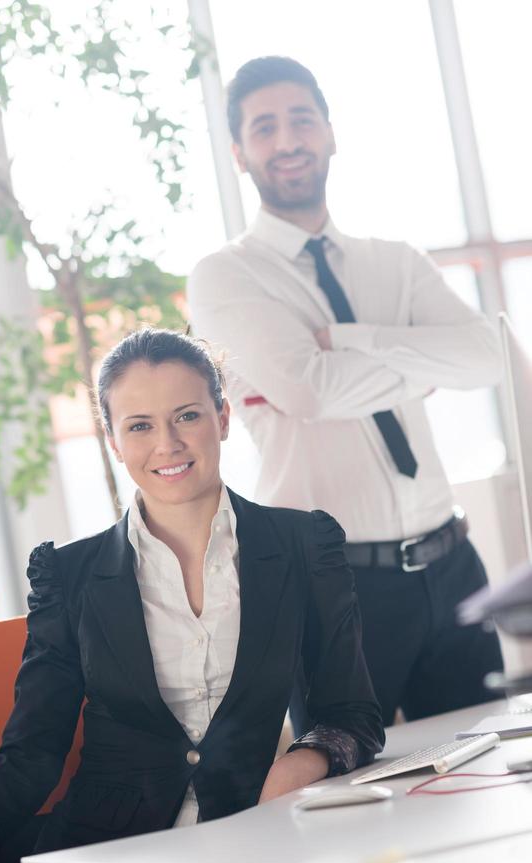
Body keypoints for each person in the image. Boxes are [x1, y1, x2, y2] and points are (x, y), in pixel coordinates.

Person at [0, 328, 384, 863]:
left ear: (223, 417)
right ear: (113, 440)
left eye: (188, 416)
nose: (167, 444)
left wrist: (300, 764)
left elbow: (352, 711)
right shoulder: (72, 575)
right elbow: (29, 757)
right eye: (140, 425)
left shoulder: (302, 545)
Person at [188, 55, 504, 730]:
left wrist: (354, 340)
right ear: (240, 154)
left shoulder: (396, 261)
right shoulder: (225, 277)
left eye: (302, 120)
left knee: (493, 777)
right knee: (346, 790)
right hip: (333, 585)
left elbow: (487, 356)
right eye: (265, 128)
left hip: (453, 569)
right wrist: (422, 360)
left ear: (331, 133)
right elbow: (309, 391)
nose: (288, 141)